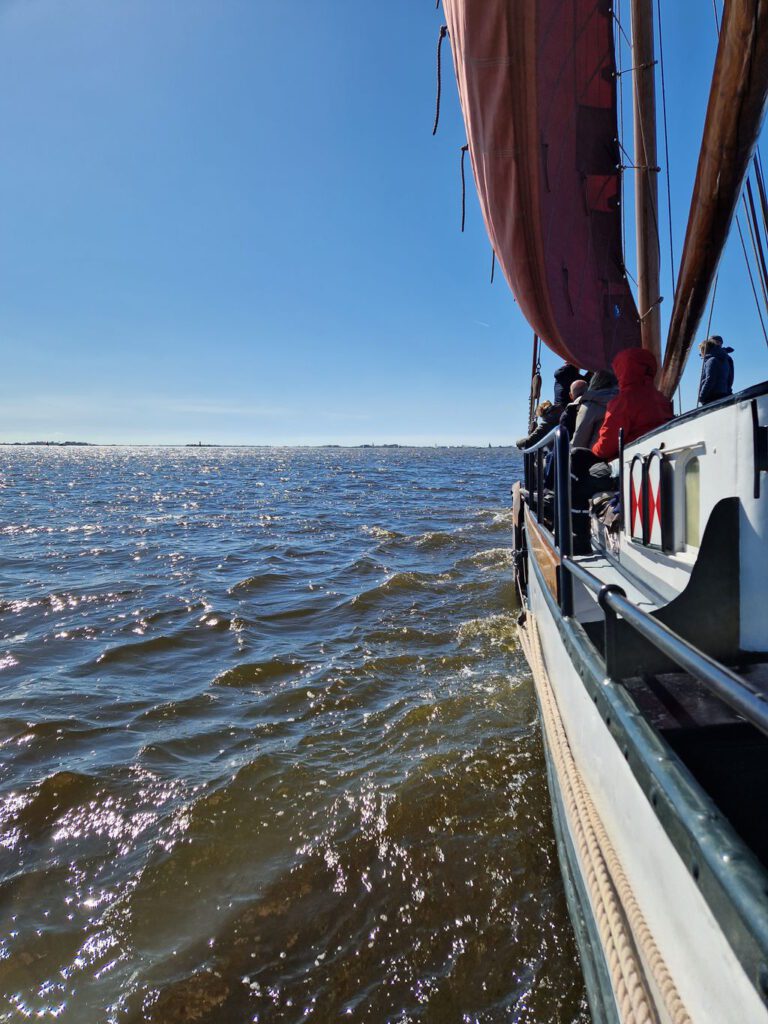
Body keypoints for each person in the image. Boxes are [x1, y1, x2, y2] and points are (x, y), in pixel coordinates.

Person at [592, 348, 673, 461]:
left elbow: (607, 445)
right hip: (658, 458)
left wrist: (593, 452)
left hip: (634, 463)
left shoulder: (624, 401)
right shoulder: (661, 398)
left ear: (623, 369)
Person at [571, 370, 618, 449]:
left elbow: (578, 442)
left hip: (598, 455)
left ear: (593, 382)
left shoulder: (589, 405)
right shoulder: (623, 398)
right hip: (625, 451)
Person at [698, 336, 734, 404]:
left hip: (711, 398)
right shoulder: (727, 358)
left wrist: (701, 397)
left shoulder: (711, 360)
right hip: (724, 394)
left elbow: (709, 380)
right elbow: (730, 378)